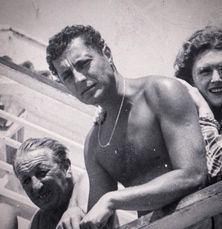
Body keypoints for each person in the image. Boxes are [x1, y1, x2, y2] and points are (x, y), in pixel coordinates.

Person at [46, 25, 208, 229]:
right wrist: (77, 213)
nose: (79, 79)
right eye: (67, 75)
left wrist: (113, 200)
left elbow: (193, 175)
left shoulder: (159, 92)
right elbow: (99, 219)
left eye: (84, 64)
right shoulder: (94, 143)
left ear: (106, 53)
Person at [174, 26, 222, 227]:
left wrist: (203, 109)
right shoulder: (182, 111)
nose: (216, 78)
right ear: (190, 79)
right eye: (205, 71)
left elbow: (221, 175)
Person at [13, 137, 86, 229]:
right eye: (26, 181)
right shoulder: (39, 222)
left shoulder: (92, 193)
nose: (36, 186)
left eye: (42, 173)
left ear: (66, 168)